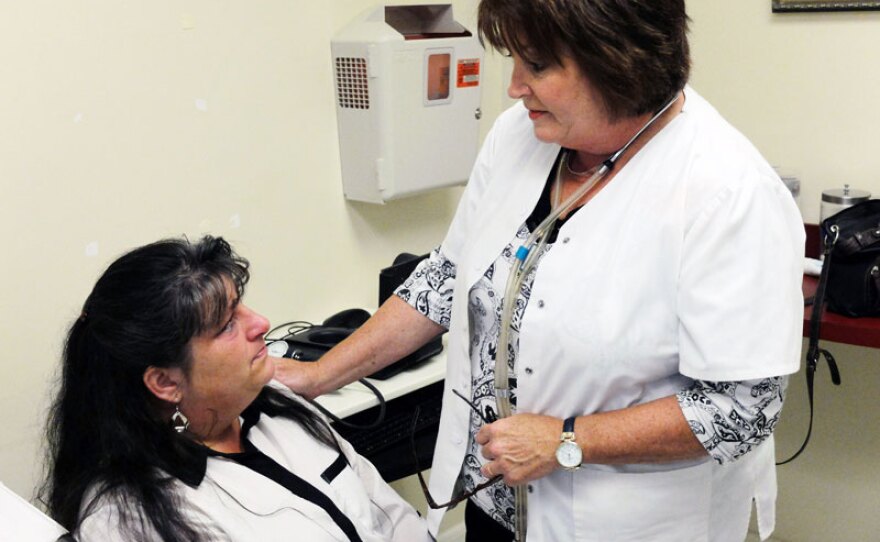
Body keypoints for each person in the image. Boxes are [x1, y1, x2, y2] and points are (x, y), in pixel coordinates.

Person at [274, 1, 805, 541]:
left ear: (619, 61)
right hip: (495, 498)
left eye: (539, 65)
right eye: (514, 59)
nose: (514, 86)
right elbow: (448, 277)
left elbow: (743, 407)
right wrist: (321, 376)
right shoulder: (517, 136)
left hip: (626, 522)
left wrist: (567, 439)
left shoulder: (728, 192)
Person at [40, 236, 429, 542]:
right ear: (165, 382)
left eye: (242, 305)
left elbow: (389, 513)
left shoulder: (279, 405)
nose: (260, 323)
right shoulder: (127, 518)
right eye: (227, 325)